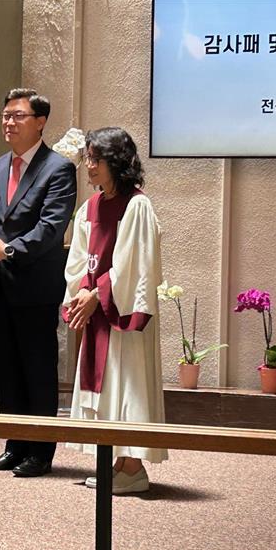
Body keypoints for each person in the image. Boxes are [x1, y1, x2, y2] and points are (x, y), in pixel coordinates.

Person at [0, 88, 77, 477]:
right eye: (6, 116)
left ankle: (41, 452)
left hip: (35, 284)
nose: (9, 123)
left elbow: (52, 227)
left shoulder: (58, 168)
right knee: (8, 369)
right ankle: (14, 446)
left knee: (37, 369)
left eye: (18, 116)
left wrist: (9, 249)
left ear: (40, 122)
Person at [63, 127, 167, 494]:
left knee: (128, 384)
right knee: (108, 387)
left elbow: (135, 265)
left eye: (97, 159)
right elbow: (80, 259)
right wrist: (82, 292)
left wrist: (97, 294)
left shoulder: (136, 205)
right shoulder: (90, 207)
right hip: (98, 313)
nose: (89, 166)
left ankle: (133, 467)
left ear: (117, 162)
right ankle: (119, 464)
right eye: (88, 158)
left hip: (120, 313)